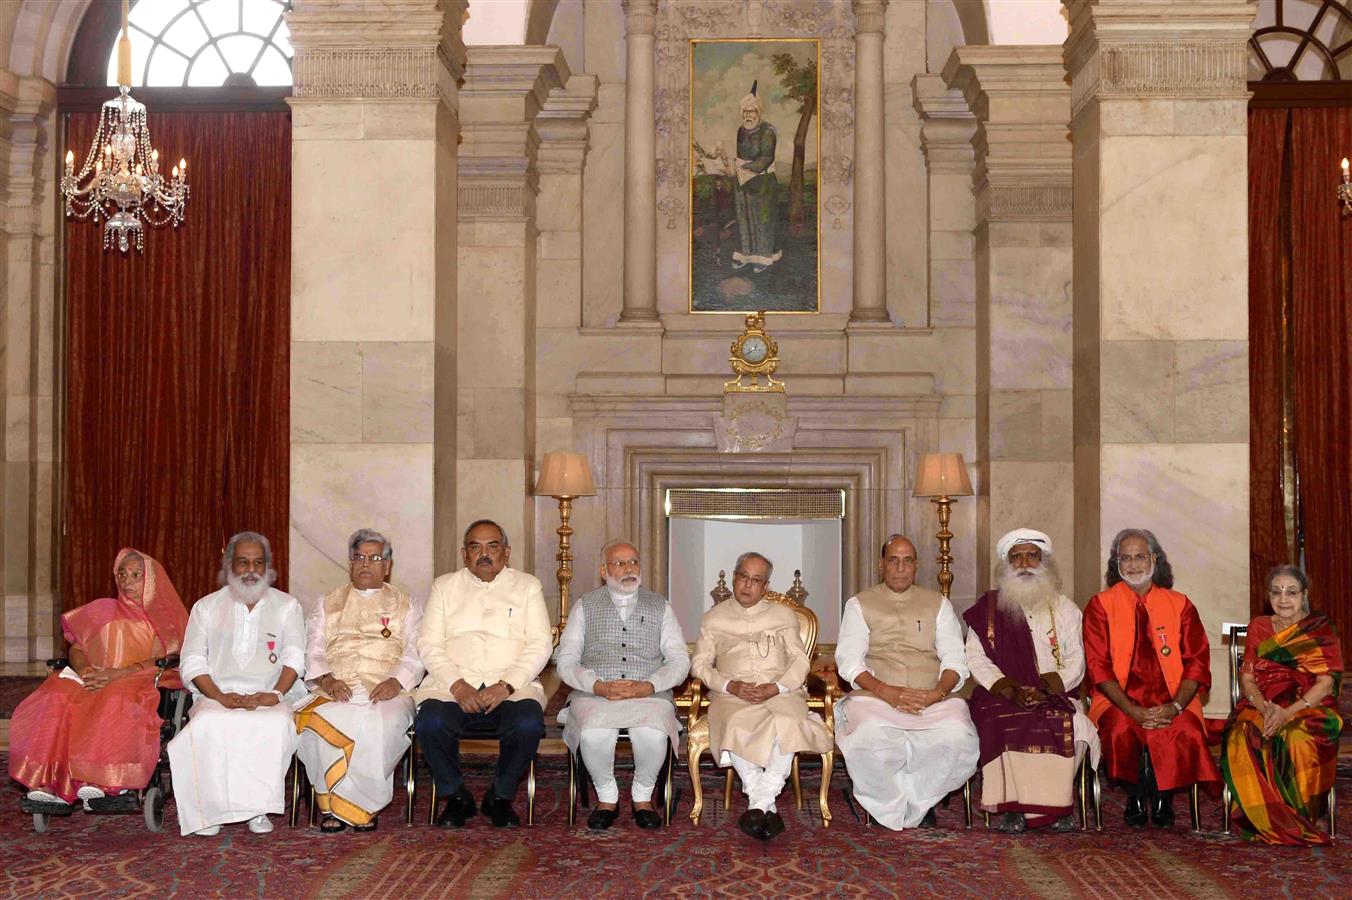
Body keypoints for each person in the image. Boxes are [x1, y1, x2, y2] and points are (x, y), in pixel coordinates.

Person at [10, 548, 188, 810]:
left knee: (114, 696)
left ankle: (106, 782)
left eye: (136, 575)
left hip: (139, 677)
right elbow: (77, 648)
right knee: (55, 693)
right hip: (93, 676)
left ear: (151, 580)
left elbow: (166, 657)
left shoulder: (164, 617)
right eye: (122, 574)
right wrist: (84, 671)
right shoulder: (100, 610)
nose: (127, 581)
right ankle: (53, 783)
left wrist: (117, 674)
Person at [834, 535, 979, 830]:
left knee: (958, 734)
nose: (900, 568)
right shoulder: (860, 603)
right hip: (876, 697)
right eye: (893, 560)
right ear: (881, 565)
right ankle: (889, 803)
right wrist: (886, 692)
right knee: (867, 734)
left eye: (908, 561)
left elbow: (954, 659)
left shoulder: (937, 603)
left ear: (916, 566)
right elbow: (849, 662)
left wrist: (937, 693)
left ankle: (918, 800)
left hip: (931, 696)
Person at [168, 532, 307, 836]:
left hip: (272, 695)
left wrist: (274, 694)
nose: (250, 570)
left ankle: (257, 809)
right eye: (243, 562)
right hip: (216, 694)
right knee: (209, 723)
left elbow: (295, 656)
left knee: (274, 724)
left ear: (268, 567)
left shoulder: (287, 606)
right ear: (229, 565)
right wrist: (218, 695)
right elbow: (192, 660)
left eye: (258, 562)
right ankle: (210, 812)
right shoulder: (205, 607)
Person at [416, 520, 551, 828]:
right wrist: (458, 685)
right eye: (476, 547)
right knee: (430, 722)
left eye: (493, 546)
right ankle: (456, 796)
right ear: (465, 554)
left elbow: (541, 644)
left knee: (528, 723)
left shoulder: (527, 586)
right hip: (452, 686)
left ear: (507, 552)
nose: (484, 554)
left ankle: (500, 796)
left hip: (511, 687)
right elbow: (429, 643)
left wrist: (506, 686)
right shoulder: (445, 586)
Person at [963, 529, 1099, 833]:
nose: (1024, 563)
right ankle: (1014, 805)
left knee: (1069, 721)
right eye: (1016, 557)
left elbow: (1078, 661)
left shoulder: (1066, 609)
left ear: (1044, 562)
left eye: (1031, 556)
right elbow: (975, 658)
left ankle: (1057, 803)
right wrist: (1008, 689)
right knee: (1003, 718)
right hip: (1002, 693)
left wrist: (1045, 688)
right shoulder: (988, 610)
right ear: (1006, 566)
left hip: (1053, 691)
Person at [1083, 528, 1221, 828]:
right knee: (1121, 728)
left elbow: (1196, 662)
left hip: (1173, 699)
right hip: (1118, 701)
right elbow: (1098, 667)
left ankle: (1163, 796)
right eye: (1126, 558)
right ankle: (1135, 794)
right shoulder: (1100, 605)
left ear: (1154, 559)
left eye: (1140, 557)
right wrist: (1132, 709)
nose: (1133, 565)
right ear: (1116, 563)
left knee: (1183, 729)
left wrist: (1175, 707)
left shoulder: (1180, 603)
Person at [690, 551, 831, 841]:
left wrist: (777, 686)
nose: (747, 585)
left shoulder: (783, 614)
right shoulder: (714, 617)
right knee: (736, 725)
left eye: (756, 580)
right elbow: (700, 664)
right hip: (731, 695)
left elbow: (801, 660)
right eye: (743, 577)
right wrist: (730, 685)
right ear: (733, 578)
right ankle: (766, 805)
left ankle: (758, 803)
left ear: (765, 586)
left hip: (780, 691)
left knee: (789, 723)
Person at [554, 539, 689, 830]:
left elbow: (679, 660)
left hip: (648, 692)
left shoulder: (660, 606)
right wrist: (597, 685)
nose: (629, 568)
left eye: (634, 561)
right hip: (596, 692)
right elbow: (566, 660)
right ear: (604, 570)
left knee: (652, 733)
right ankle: (607, 797)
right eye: (620, 563)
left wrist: (650, 686)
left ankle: (642, 797)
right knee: (592, 733)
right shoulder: (585, 605)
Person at [296, 529, 424, 833]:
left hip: (388, 691)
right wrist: (326, 680)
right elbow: (312, 648)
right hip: (336, 688)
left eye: (375, 558)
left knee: (383, 724)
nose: (366, 564)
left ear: (388, 566)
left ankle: (362, 805)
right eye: (359, 557)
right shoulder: (328, 603)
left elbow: (417, 652)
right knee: (319, 720)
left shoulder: (407, 605)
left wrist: (396, 681)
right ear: (350, 563)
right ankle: (334, 804)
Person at [1221, 565, 1342, 845]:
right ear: (1269, 596)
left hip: (1309, 705)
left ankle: (1300, 818)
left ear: (1305, 595)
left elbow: (1325, 683)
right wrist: (1266, 709)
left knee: (1298, 737)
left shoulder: (1320, 629)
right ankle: (1264, 818)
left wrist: (1287, 712)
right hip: (1262, 702)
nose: (1283, 599)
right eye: (1276, 592)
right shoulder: (1259, 626)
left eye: (1291, 592)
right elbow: (1248, 677)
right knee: (1243, 735)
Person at [731, 80, 781, 273]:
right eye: (745, 112)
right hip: (743, 182)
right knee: (744, 218)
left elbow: (766, 158)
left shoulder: (768, 131)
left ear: (758, 112)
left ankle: (763, 258)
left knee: (762, 220)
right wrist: (734, 166)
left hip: (763, 183)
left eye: (751, 112)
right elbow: (740, 155)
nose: (748, 115)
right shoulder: (741, 131)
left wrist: (746, 169)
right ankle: (745, 255)